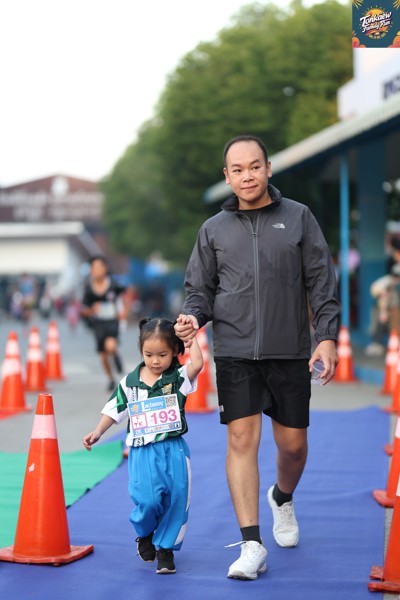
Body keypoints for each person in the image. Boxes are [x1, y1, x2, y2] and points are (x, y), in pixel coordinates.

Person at [174, 135, 340, 581]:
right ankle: (252, 543)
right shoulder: (213, 230)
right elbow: (199, 290)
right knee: (241, 441)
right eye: (237, 169)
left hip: (289, 351)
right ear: (226, 176)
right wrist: (192, 318)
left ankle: (282, 497)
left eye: (254, 166)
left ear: (268, 168)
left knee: (293, 447)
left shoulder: (299, 217)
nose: (246, 176)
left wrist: (326, 337)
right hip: (235, 352)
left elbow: (321, 281)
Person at [83, 317, 203, 575]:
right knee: (147, 500)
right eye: (149, 355)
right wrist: (98, 431)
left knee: (176, 499)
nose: (155, 361)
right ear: (141, 351)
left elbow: (198, 364)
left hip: (174, 449)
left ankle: (166, 550)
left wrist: (190, 339)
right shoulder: (130, 382)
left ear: (174, 351)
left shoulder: (178, 377)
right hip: (142, 451)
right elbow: (114, 408)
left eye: (162, 354)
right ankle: (145, 532)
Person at [81, 256, 128, 391]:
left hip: (112, 321)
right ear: (90, 270)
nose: (96, 271)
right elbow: (84, 310)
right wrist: (92, 310)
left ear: (105, 268)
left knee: (110, 345)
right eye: (94, 268)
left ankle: (115, 354)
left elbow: (127, 294)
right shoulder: (88, 288)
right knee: (103, 355)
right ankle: (110, 378)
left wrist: (124, 311)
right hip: (98, 324)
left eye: (99, 267)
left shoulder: (114, 284)